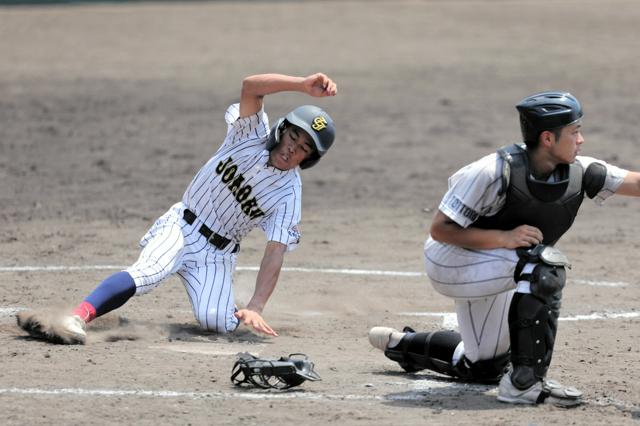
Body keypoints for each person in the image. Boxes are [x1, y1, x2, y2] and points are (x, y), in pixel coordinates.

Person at [18, 72, 337, 344]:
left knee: (222, 324)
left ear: (309, 158)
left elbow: (275, 251)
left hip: (218, 255)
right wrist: (301, 84)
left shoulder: (289, 194)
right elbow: (250, 86)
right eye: (295, 135)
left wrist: (256, 306)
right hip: (182, 226)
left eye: (305, 146)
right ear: (283, 130)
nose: (295, 146)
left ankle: (227, 305)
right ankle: (77, 317)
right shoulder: (249, 133)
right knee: (148, 273)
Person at [369, 91, 640, 407]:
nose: (581, 139)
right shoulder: (492, 171)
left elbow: (635, 183)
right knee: (543, 267)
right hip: (452, 261)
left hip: (499, 265)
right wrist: (504, 238)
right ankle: (524, 385)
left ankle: (403, 344)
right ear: (548, 138)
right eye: (575, 131)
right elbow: (441, 229)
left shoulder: (582, 171)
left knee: (484, 366)